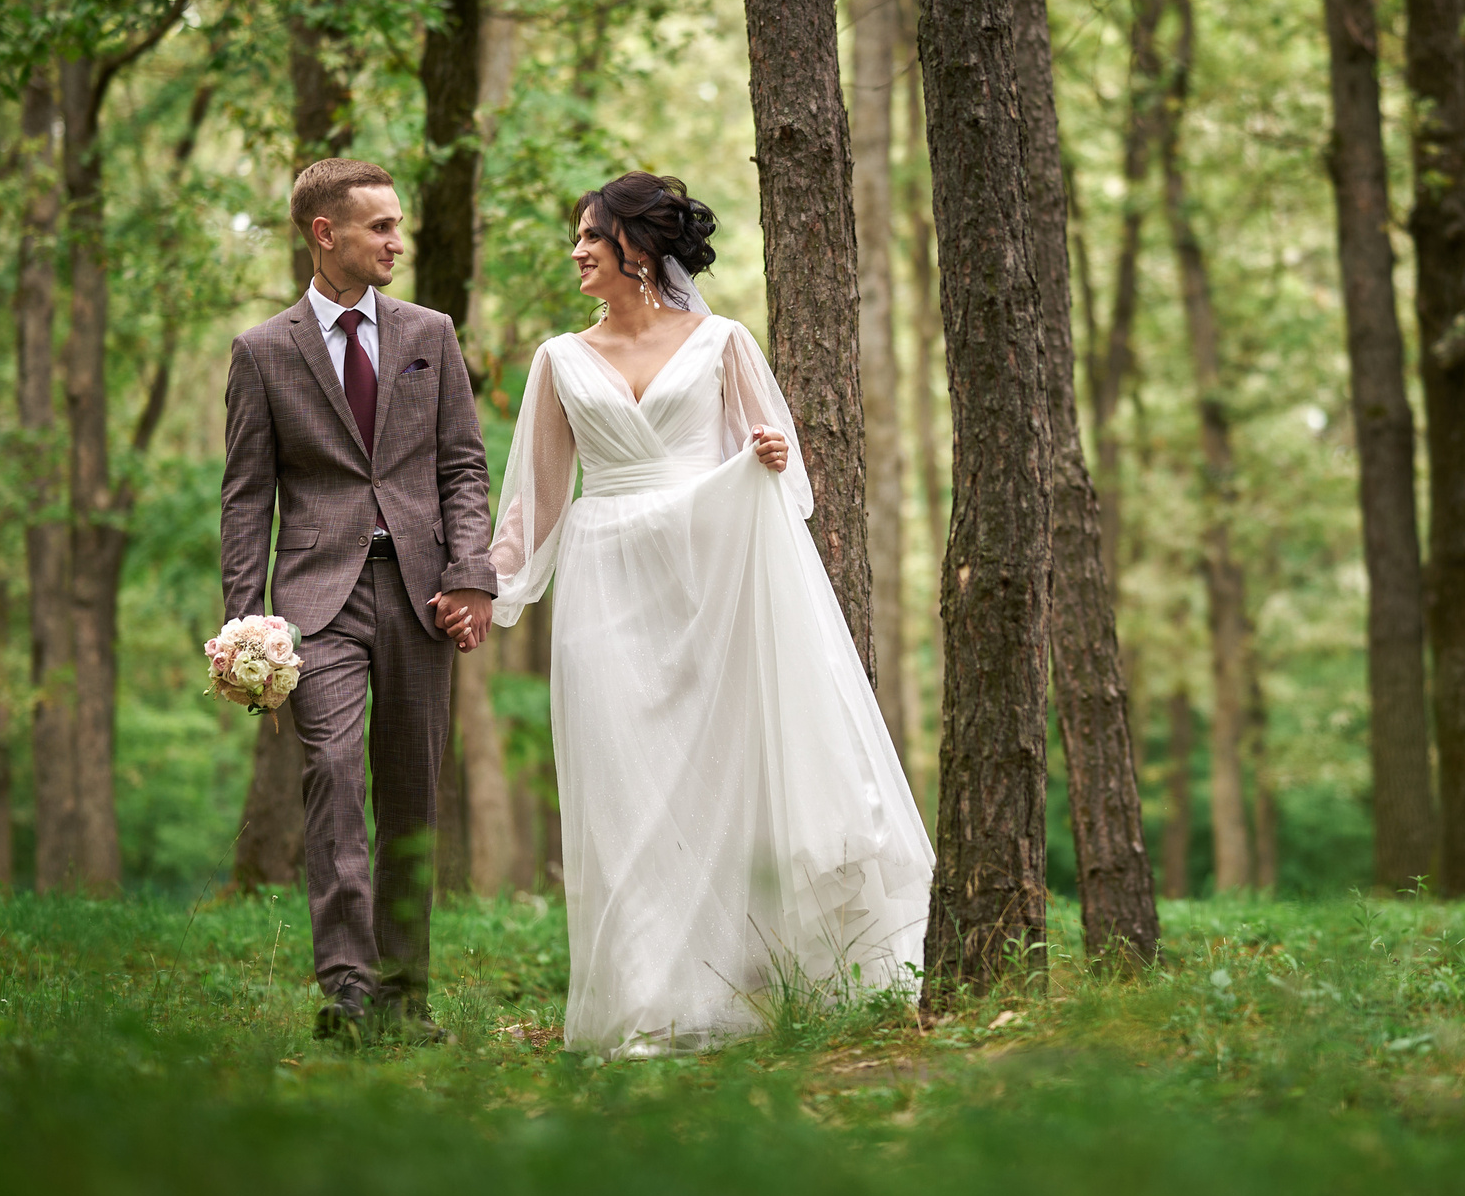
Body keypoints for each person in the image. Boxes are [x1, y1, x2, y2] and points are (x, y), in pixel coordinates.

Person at [486, 172, 932, 1056]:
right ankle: (649, 1003)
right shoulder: (558, 360)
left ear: (637, 248)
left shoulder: (724, 341)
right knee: (627, 792)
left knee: (715, 783)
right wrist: (478, 587)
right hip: (606, 579)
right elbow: (531, 507)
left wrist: (765, 450)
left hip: (710, 580)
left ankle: (742, 988)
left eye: (589, 236)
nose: (575, 251)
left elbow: (785, 473)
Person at [220, 157, 498, 1043]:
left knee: (412, 794)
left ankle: (406, 997)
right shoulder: (263, 351)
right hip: (316, 602)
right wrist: (244, 620)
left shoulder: (431, 333)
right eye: (379, 226)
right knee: (333, 776)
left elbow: (461, 464)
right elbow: (246, 494)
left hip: (420, 595)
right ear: (324, 233)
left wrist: (471, 572)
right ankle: (347, 992)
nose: (396, 240)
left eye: (398, 223)